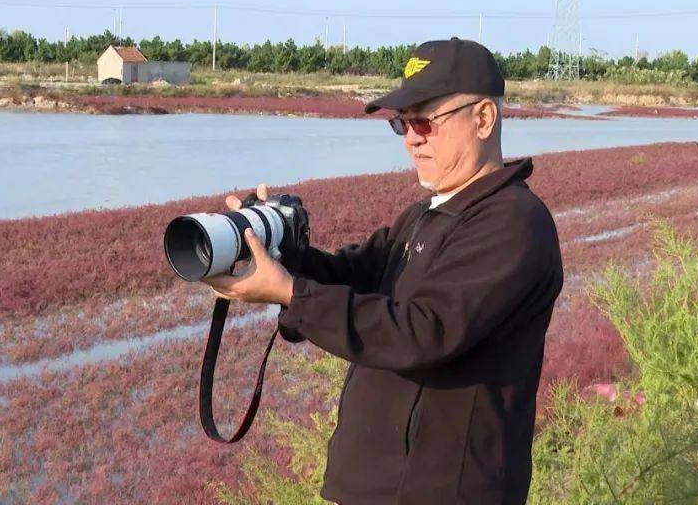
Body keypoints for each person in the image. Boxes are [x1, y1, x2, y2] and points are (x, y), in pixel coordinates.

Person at [204, 38, 563, 504]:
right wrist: (273, 249)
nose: (412, 137)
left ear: (483, 119)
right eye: (402, 123)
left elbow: (420, 332)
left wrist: (293, 294)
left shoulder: (514, 223)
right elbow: (355, 275)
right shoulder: (426, 215)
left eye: (425, 121)